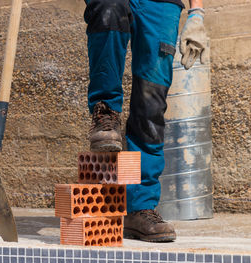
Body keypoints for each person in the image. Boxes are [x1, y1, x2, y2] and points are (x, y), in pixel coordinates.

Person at [85, 0, 208, 242]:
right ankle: (105, 112)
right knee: (108, 9)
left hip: (161, 4)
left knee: (150, 103)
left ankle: (140, 208)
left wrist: (197, 12)